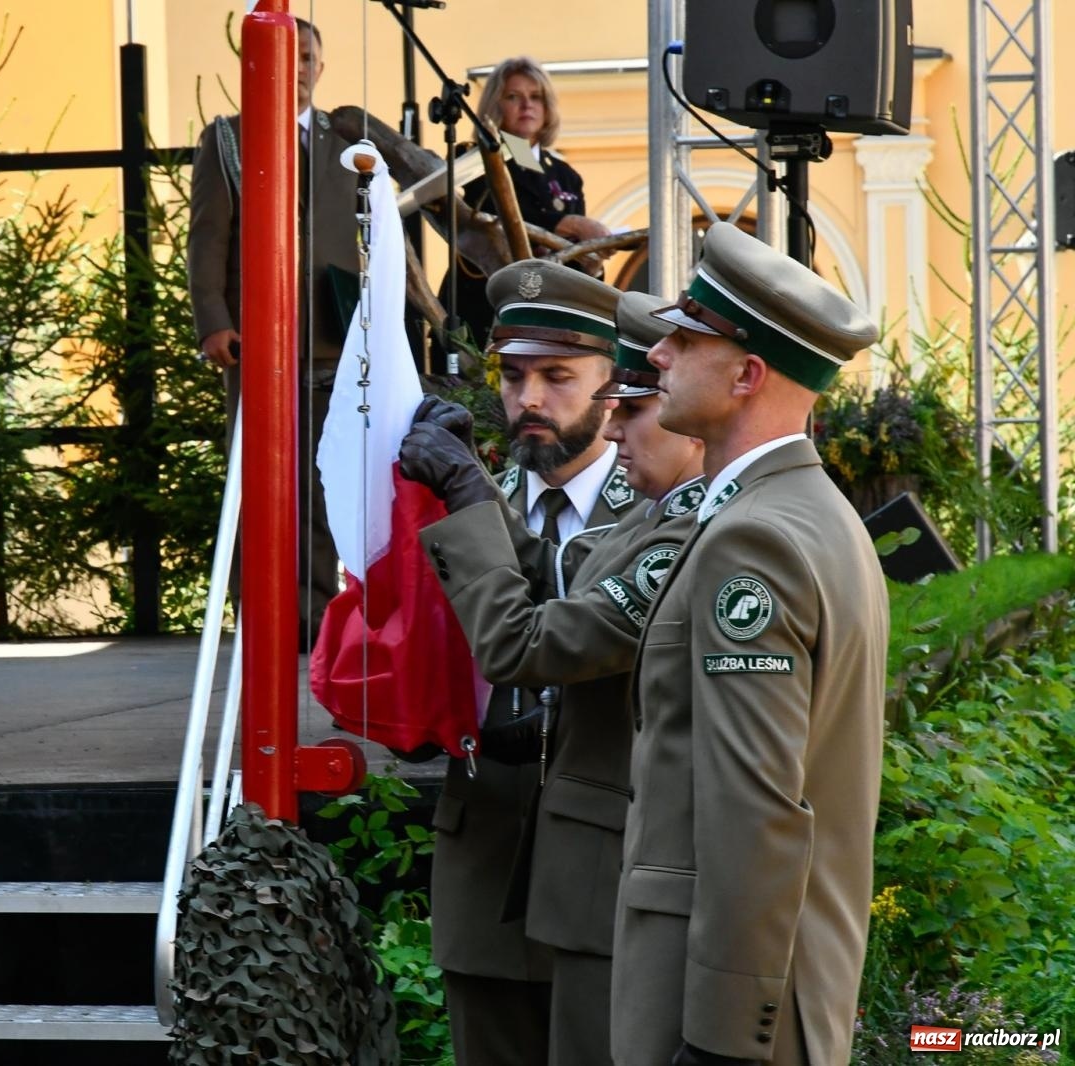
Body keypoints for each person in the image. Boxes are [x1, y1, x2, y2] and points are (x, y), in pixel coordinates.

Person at [404, 289, 705, 1065]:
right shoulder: (479, 496)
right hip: (487, 864)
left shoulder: (666, 509)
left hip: (601, 878)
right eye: (512, 376)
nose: (529, 399)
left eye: (559, 376)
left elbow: (535, 634)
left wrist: (467, 495)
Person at [614, 221, 888, 1066]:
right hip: (777, 982)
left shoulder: (753, 540)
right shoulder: (811, 514)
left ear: (746, 376)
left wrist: (724, 1041)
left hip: (724, 1004)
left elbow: (757, 811)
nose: (657, 354)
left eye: (687, 338)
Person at [188, 16, 356, 642]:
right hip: (258, 338)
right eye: (289, 56)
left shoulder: (346, 139)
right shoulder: (229, 140)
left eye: (308, 57)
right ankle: (261, 614)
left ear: (321, 66)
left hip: (333, 334)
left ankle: (315, 618)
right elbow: (207, 237)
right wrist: (213, 320)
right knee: (260, 482)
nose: (299, 68)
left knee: (323, 484)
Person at [437, 56, 613, 355]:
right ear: (495, 105)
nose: (526, 105)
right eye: (513, 96)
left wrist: (593, 265)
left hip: (547, 312)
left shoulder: (565, 175)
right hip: (483, 305)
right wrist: (563, 223)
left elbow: (573, 252)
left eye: (536, 97)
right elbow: (484, 216)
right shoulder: (473, 159)